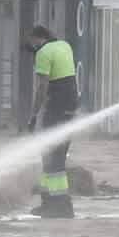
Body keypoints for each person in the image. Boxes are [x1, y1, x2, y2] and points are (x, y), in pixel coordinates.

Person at [26, 25, 78, 219]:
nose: (30, 46)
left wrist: (33, 115)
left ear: (36, 38)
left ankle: (59, 206)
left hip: (56, 107)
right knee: (56, 156)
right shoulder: (65, 46)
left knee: (51, 157)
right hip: (70, 107)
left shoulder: (43, 53)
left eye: (30, 41)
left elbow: (41, 87)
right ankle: (51, 203)